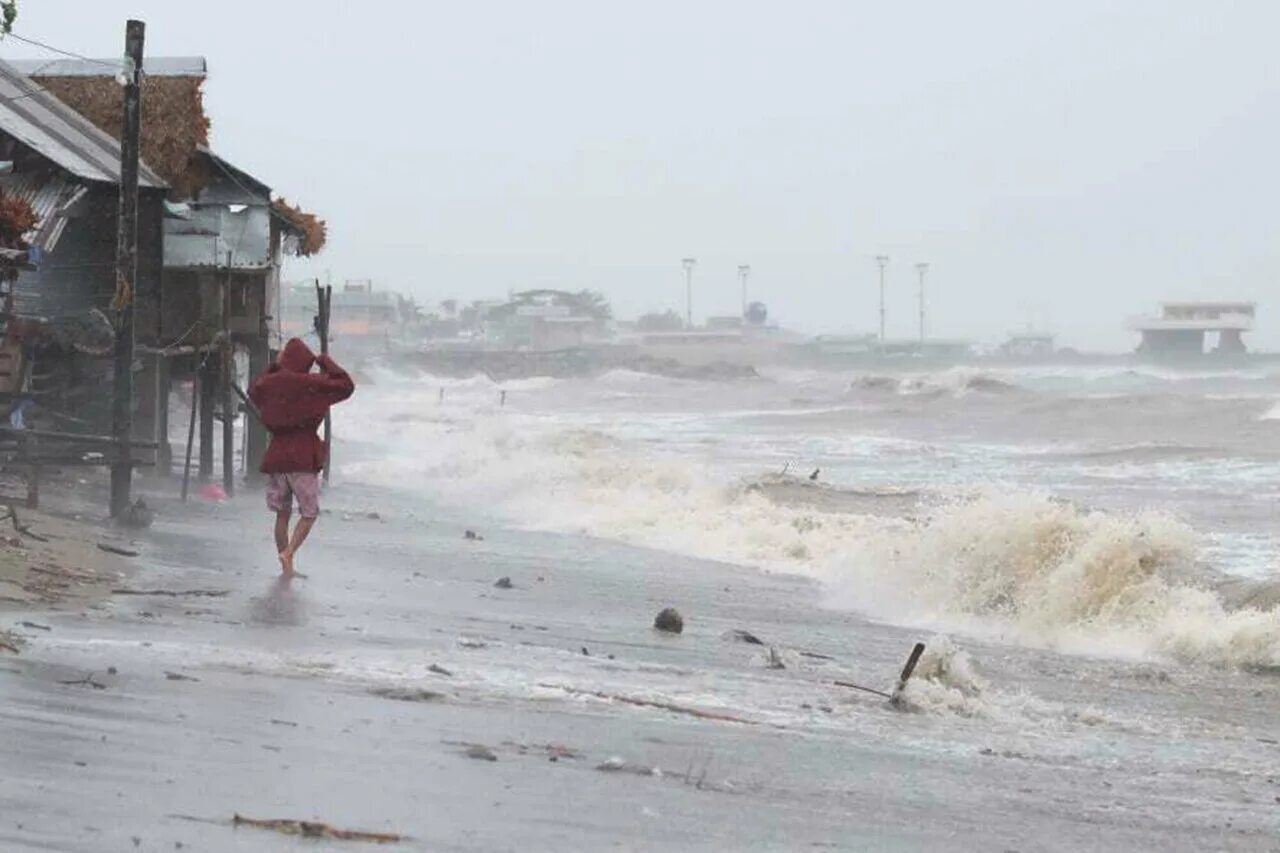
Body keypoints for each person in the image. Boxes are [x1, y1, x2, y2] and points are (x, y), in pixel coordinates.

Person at [248, 338, 355, 577]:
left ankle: (286, 566)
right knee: (309, 513)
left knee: (282, 513)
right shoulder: (311, 385)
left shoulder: (271, 384)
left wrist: (274, 367)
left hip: (277, 456)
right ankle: (289, 553)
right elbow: (346, 385)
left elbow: (254, 390)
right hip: (302, 456)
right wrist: (325, 361)